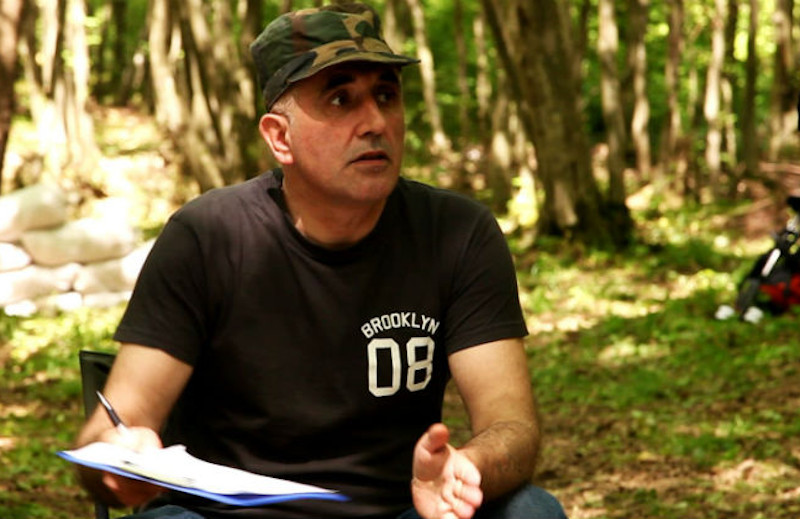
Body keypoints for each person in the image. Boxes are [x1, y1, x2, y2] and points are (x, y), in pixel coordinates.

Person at [74, 3, 568, 519]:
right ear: (279, 137)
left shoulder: (457, 233)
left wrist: (469, 468)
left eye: (386, 95)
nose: (375, 122)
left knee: (529, 511)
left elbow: (511, 425)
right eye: (340, 100)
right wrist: (115, 460)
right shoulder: (208, 238)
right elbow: (113, 428)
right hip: (226, 516)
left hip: (400, 511)